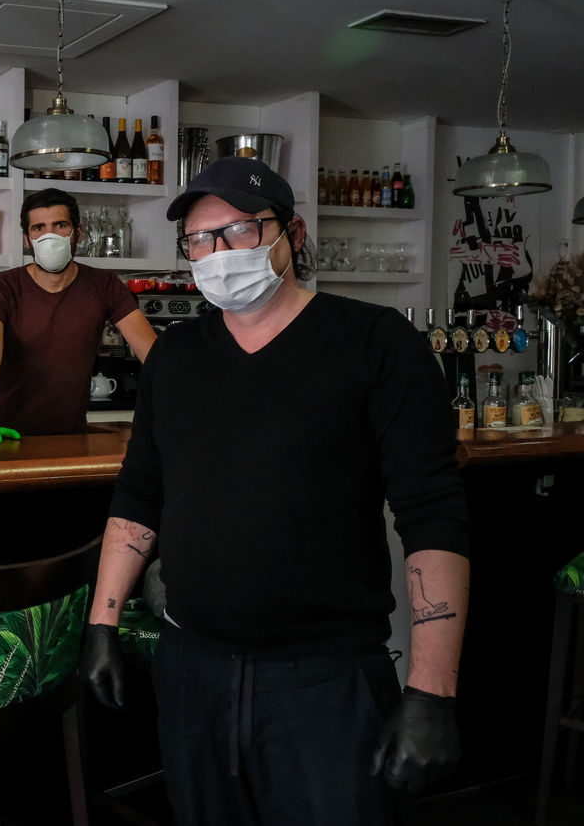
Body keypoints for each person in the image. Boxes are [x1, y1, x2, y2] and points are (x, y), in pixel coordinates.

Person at [79, 156, 469, 824]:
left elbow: (433, 513)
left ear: (292, 232)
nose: (218, 253)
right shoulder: (174, 357)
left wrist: (432, 693)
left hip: (326, 679)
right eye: (199, 240)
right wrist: (102, 621)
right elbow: (141, 491)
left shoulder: (376, 342)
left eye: (239, 230)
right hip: (191, 667)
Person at [0, 188, 156, 441]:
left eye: (60, 225)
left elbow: (153, 355)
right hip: (4, 436)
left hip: (71, 437)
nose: (49, 236)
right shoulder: (0, 287)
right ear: (27, 239)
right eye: (38, 228)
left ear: (78, 233)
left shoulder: (104, 285)